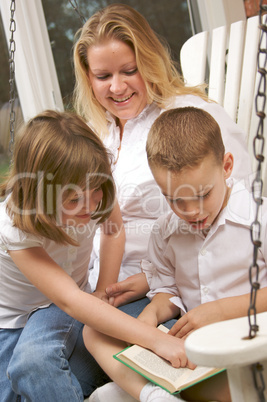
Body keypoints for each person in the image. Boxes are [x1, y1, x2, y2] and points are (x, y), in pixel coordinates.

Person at [0, 110, 194, 402]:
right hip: (14, 320)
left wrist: (102, 289)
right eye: (74, 199)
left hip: (60, 304)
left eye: (95, 192)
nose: (89, 205)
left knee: (33, 362)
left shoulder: (91, 183)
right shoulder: (15, 228)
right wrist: (154, 340)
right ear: (41, 195)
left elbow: (113, 231)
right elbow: (71, 300)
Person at [84, 107, 267, 402]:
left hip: (250, 353)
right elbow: (168, 290)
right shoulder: (166, 232)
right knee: (94, 339)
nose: (191, 211)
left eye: (203, 194)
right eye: (175, 200)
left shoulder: (259, 219)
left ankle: (149, 393)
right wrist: (151, 316)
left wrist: (219, 311)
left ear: (227, 166)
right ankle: (154, 394)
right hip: (191, 356)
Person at [73, 3, 252, 293]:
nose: (117, 88)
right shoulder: (95, 133)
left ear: (149, 61)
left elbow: (237, 217)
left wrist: (154, 280)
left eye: (129, 70)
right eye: (103, 76)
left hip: (166, 286)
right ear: (88, 78)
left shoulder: (191, 118)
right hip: (91, 280)